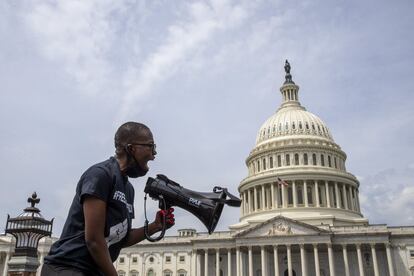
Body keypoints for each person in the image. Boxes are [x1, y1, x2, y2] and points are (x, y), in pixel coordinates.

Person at [42, 122, 175, 276]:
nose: (154, 153)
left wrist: (155, 226)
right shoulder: (100, 175)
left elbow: (119, 239)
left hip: (93, 270)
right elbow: (94, 239)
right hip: (68, 267)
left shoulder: (128, 189)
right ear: (132, 148)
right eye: (151, 146)